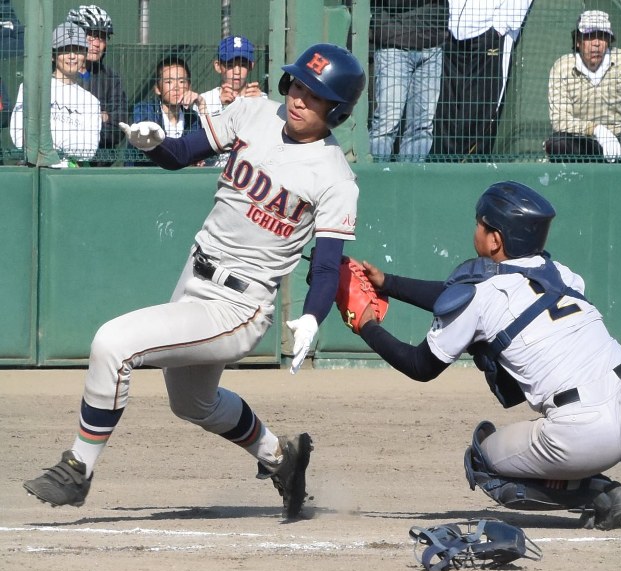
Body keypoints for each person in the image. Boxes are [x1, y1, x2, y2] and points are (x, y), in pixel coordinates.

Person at [22, 43, 366, 520]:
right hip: (196, 272)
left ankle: (77, 469)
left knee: (113, 344)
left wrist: (312, 315)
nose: (300, 98)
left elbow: (327, 265)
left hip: (237, 306)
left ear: (339, 109)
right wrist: (153, 144)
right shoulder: (252, 111)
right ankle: (281, 459)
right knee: (192, 403)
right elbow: (181, 153)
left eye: (317, 94)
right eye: (299, 85)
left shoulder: (335, 178)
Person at [343, 181, 621, 539]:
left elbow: (422, 365)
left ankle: (595, 492)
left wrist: (366, 326)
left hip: (582, 431)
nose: (475, 230)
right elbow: (484, 296)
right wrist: (390, 283)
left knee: (483, 459)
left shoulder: (478, 296)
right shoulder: (565, 275)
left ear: (495, 240)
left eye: (480, 224)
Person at [545, 10, 621, 163]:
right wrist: (596, 130)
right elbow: (559, 120)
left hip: (620, 135)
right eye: (590, 36)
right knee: (558, 144)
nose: (596, 43)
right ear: (578, 41)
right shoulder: (562, 67)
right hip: (582, 139)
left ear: (609, 41)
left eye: (602, 36)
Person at [432, 0, 535, 160]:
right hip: (453, 34)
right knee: (447, 107)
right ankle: (445, 164)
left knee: (479, 108)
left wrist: (500, 27)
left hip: (489, 35)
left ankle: (469, 166)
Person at [10, 22, 101, 167]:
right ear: (53, 55)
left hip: (70, 177)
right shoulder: (31, 89)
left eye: (77, 50)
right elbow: (19, 137)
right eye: (65, 50)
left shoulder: (91, 101)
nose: (72, 57)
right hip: (34, 171)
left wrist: (45, 140)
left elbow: (88, 150)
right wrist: (70, 142)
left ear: (84, 55)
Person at [368, 0, 448, 163]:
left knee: (422, 126)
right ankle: (376, 179)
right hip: (393, 44)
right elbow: (393, 4)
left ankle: (411, 181)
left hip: (433, 45)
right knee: (386, 122)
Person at [66, 4, 128, 166]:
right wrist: (98, 117)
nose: (97, 44)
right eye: (91, 36)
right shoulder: (53, 76)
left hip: (100, 164)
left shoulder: (111, 79)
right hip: (60, 165)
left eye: (101, 37)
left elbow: (117, 130)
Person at [195, 34, 265, 167]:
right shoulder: (205, 100)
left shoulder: (262, 99)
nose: (237, 71)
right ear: (218, 66)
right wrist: (220, 108)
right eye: (231, 65)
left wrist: (259, 106)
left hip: (249, 176)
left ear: (251, 65)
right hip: (211, 172)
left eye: (243, 65)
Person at [128, 55, 204, 166]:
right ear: (157, 89)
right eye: (169, 82)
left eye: (182, 82)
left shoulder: (192, 118)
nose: (176, 87)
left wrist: (202, 104)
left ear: (189, 86)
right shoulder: (144, 110)